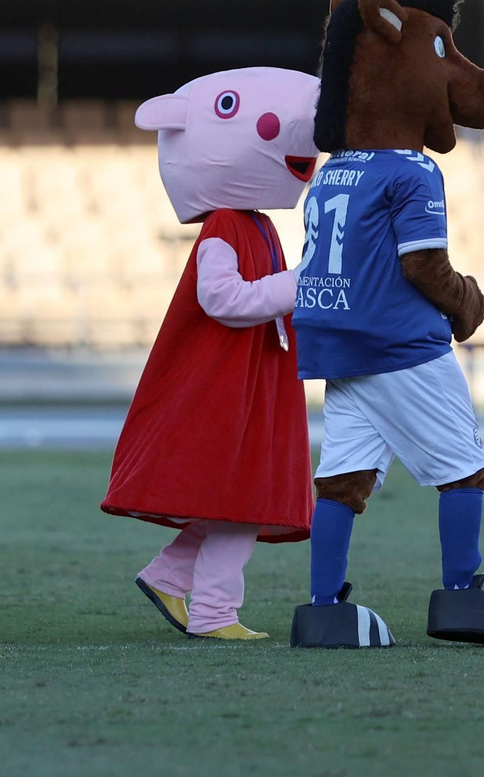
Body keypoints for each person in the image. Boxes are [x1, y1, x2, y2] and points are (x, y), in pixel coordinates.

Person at [289, 0, 484, 649]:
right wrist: (467, 304)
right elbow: (423, 266)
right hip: (400, 345)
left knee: (342, 480)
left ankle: (323, 608)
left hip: (336, 345)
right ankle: (461, 596)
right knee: (465, 467)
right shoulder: (411, 171)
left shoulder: (333, 170)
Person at [102, 67, 319, 641]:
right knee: (241, 498)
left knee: (234, 495)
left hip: (249, 376)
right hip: (228, 380)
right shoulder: (225, 224)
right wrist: (298, 283)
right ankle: (215, 612)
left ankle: (169, 576)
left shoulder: (256, 223)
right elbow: (221, 299)